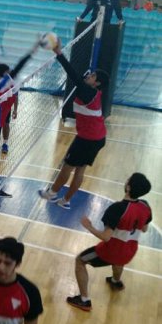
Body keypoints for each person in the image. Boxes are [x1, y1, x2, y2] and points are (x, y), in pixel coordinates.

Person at [66, 173, 152, 312]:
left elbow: (106, 237)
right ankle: (115, 282)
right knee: (120, 260)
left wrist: (89, 226)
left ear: (128, 187)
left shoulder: (116, 209)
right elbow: (145, 228)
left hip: (111, 252)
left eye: (128, 179)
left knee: (80, 260)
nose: (126, 180)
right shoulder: (145, 206)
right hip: (130, 250)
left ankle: (84, 300)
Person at [39, 39, 109, 209]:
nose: (89, 76)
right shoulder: (95, 93)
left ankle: (52, 193)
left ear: (97, 83)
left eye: (92, 76)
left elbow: (73, 75)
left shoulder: (88, 91)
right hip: (98, 138)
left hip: (87, 139)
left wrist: (59, 53)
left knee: (68, 166)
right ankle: (66, 201)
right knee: (80, 169)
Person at [0, 41, 39, 207]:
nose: (10, 74)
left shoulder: (6, 83)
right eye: (7, 72)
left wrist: (32, 51)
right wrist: (31, 52)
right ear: (0, 75)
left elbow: (17, 69)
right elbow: (18, 68)